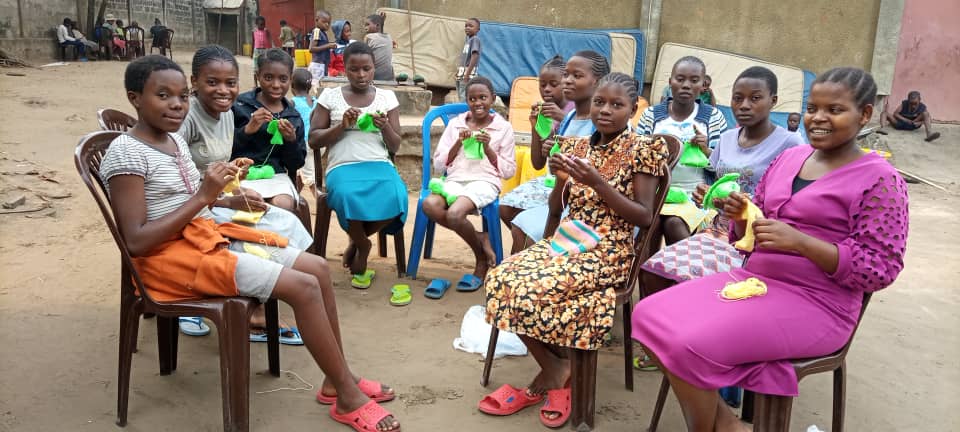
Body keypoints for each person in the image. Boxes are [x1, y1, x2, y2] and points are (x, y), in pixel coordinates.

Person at [101, 55, 400, 432]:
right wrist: (205, 198)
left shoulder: (172, 140)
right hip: (171, 259)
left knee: (318, 267)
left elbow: (193, 196)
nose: (176, 105)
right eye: (163, 95)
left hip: (203, 235)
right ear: (135, 98)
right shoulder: (127, 153)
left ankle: (335, 378)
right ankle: (347, 395)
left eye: (181, 96)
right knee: (303, 287)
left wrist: (227, 200)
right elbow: (137, 241)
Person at [632, 67, 908, 432]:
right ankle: (729, 426)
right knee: (648, 315)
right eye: (812, 108)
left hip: (819, 303)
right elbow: (749, 231)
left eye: (835, 110)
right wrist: (739, 216)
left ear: (865, 114)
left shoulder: (881, 179)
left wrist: (802, 242)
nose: (818, 118)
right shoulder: (790, 159)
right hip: (754, 280)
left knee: (689, 344)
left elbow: (880, 268)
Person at [481, 73, 668, 428]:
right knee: (501, 278)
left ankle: (555, 370)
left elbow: (644, 216)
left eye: (617, 105)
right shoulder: (575, 146)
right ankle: (557, 367)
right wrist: (561, 181)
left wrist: (597, 182)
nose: (606, 111)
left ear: (632, 110)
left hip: (608, 250)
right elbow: (557, 207)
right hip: (568, 240)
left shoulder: (643, 148)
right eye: (600, 102)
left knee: (531, 288)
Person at [634, 65, 803, 370]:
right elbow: (715, 180)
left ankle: (702, 345)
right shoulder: (726, 137)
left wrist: (742, 207)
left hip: (757, 238)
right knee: (652, 270)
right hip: (718, 228)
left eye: (755, 98)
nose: (744, 106)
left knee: (693, 273)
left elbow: (793, 204)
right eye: (738, 98)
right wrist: (706, 193)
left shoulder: (790, 145)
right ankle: (665, 343)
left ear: (773, 100)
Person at [175, 45, 314, 341]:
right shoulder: (198, 115)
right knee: (252, 225)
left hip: (226, 191)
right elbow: (182, 181)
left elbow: (292, 160)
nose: (223, 91)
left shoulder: (227, 112)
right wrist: (248, 133)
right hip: (196, 206)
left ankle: (264, 296)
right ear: (194, 82)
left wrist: (235, 181)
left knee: (282, 219)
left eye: (229, 83)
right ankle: (231, 305)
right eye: (212, 82)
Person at [309, 42, 407, 290]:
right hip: (342, 165)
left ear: (375, 69)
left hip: (378, 164)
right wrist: (341, 125)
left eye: (367, 69)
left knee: (398, 195)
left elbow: (395, 146)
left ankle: (357, 239)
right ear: (345, 69)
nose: (361, 75)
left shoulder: (387, 97)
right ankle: (364, 245)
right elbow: (313, 139)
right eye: (354, 69)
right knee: (345, 195)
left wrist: (384, 125)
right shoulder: (330, 96)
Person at [508, 51, 611, 249]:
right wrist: (543, 136)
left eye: (577, 76)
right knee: (518, 226)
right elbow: (550, 167)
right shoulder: (571, 116)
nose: (567, 81)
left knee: (530, 237)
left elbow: (596, 168)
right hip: (563, 196)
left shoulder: (602, 122)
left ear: (597, 82)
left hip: (588, 206)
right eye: (566, 75)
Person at [424, 76, 516, 289]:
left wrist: (488, 149)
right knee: (429, 205)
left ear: (493, 99)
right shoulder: (456, 124)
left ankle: (480, 260)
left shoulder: (503, 128)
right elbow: (439, 164)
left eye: (483, 97)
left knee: (455, 214)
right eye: (472, 99)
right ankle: (482, 239)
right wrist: (458, 143)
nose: (477, 103)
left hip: (485, 182)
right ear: (467, 101)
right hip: (455, 180)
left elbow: (509, 171)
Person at [636, 55, 729, 245]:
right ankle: (644, 271)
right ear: (670, 82)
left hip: (696, 196)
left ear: (703, 85)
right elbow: (635, 158)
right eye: (680, 79)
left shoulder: (713, 117)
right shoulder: (651, 115)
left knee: (674, 223)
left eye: (694, 81)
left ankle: (684, 269)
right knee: (650, 226)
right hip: (655, 193)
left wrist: (706, 151)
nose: (686, 85)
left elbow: (724, 169)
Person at [498, 55, 574, 253]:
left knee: (524, 226)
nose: (546, 89)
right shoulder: (545, 113)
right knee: (505, 207)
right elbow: (539, 162)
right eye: (542, 84)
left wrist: (562, 118)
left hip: (569, 184)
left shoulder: (573, 111)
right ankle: (531, 249)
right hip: (550, 180)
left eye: (553, 84)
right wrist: (535, 128)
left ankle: (535, 249)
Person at [232, 49, 306, 213]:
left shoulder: (293, 117)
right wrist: (247, 130)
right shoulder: (239, 106)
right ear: (258, 76)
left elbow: (296, 163)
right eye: (268, 77)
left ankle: (273, 239)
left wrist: (291, 141)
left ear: (290, 79)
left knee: (282, 204)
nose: (276, 85)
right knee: (250, 200)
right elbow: (223, 148)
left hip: (275, 177)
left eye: (283, 79)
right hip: (240, 174)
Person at [291, 68, 319, 197]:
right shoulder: (316, 101)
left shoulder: (293, 103)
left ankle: (321, 201)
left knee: (310, 178)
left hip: (304, 143)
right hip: (317, 142)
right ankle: (294, 196)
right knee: (302, 171)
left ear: (292, 86)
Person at [363, 14, 395, 81]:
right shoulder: (389, 37)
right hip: (389, 76)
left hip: (375, 76)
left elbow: (363, 55)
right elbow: (380, 35)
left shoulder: (369, 37)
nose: (365, 27)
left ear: (377, 25)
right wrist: (381, 21)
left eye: (367, 24)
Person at [456, 18, 482, 101]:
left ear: (478, 29)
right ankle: (464, 111)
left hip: (468, 75)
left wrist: (467, 74)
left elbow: (475, 56)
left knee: (464, 96)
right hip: (463, 74)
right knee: (461, 95)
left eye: (471, 26)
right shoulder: (468, 41)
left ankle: (465, 112)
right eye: (466, 26)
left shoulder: (475, 39)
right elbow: (465, 60)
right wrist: (459, 73)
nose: (467, 28)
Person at [309, 10, 337, 86]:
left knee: (322, 86)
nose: (327, 25)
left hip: (323, 65)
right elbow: (312, 49)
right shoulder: (317, 31)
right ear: (317, 20)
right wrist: (328, 45)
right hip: (318, 66)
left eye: (329, 23)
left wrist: (330, 47)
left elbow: (321, 47)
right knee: (317, 87)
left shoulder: (323, 33)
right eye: (324, 22)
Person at [251, 16, 273, 84]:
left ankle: (265, 81)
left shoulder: (266, 31)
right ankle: (255, 83)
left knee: (265, 66)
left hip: (265, 50)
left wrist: (271, 50)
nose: (263, 26)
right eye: (261, 24)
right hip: (256, 50)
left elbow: (270, 40)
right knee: (255, 67)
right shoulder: (253, 31)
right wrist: (251, 52)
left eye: (264, 24)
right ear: (256, 24)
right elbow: (253, 41)